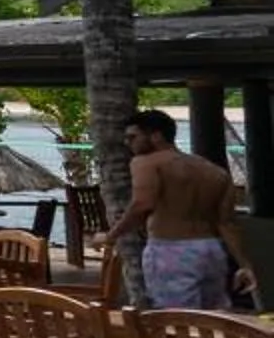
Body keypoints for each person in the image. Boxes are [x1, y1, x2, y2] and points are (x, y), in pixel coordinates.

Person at [103, 108, 257, 310]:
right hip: (211, 251)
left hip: (170, 249)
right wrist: (244, 265)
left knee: (176, 322)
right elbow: (226, 223)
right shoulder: (214, 172)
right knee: (213, 320)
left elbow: (142, 204)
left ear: (156, 136)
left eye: (133, 137)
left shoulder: (145, 162)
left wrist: (110, 236)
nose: (128, 143)